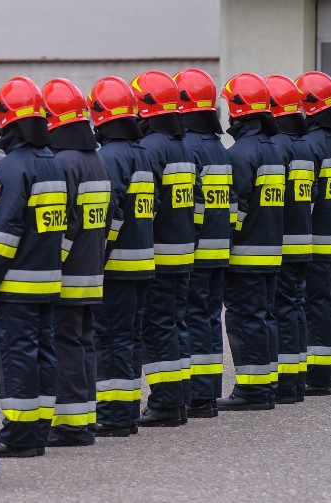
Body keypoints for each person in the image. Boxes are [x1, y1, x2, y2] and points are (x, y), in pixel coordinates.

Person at [0, 76, 67, 457]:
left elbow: (3, 232)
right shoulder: (54, 164)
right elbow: (68, 226)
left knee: (17, 357)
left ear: (6, 119)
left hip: (15, 286)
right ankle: (39, 432)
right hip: (48, 282)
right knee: (45, 354)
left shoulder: (11, 168)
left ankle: (18, 435)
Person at [41, 78, 111, 447]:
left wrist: (54, 263)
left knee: (65, 343)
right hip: (92, 269)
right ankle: (84, 418)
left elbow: (63, 226)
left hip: (68, 273)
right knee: (84, 343)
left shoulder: (63, 162)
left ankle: (69, 424)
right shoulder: (95, 159)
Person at [87, 76, 155, 437]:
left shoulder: (110, 156)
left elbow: (111, 214)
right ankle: (126, 411)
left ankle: (113, 415)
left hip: (117, 266)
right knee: (129, 339)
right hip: (143, 262)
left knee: (110, 339)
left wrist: (100, 252)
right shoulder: (142, 152)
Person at [133, 70, 200, 427]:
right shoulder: (184, 147)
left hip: (158, 252)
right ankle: (179, 400)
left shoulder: (149, 149)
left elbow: (148, 206)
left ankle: (165, 404)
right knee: (176, 324)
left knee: (157, 328)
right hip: (184, 252)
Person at [217, 73, 285, 411]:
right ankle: (266, 385)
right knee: (265, 316)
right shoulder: (276, 149)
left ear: (236, 109)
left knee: (246, 319)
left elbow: (235, 211)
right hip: (272, 250)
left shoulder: (239, 154)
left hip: (245, 254)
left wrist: (223, 246)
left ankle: (253, 391)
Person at [175, 68, 234, 418]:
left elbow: (194, 206)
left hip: (196, 250)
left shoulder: (190, 147)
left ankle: (198, 395)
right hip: (220, 248)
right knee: (209, 318)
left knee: (194, 318)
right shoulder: (219, 147)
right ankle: (208, 393)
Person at [294, 71, 331, 395]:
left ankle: (316, 376)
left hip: (314, 238)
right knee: (330, 302)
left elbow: (308, 197)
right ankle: (327, 371)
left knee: (314, 303)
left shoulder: (310, 145)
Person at [265, 74, 316, 403]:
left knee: (281, 310)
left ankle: (285, 384)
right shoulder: (306, 146)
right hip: (303, 240)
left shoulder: (278, 147)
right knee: (295, 308)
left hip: (280, 242)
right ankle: (295, 380)